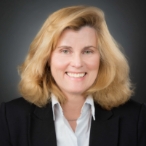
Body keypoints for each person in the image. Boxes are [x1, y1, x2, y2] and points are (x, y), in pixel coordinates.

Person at [0, 5, 146, 146]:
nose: (77, 63)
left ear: (102, 59)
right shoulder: (9, 118)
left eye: (88, 51)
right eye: (65, 51)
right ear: (46, 58)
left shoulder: (137, 118)